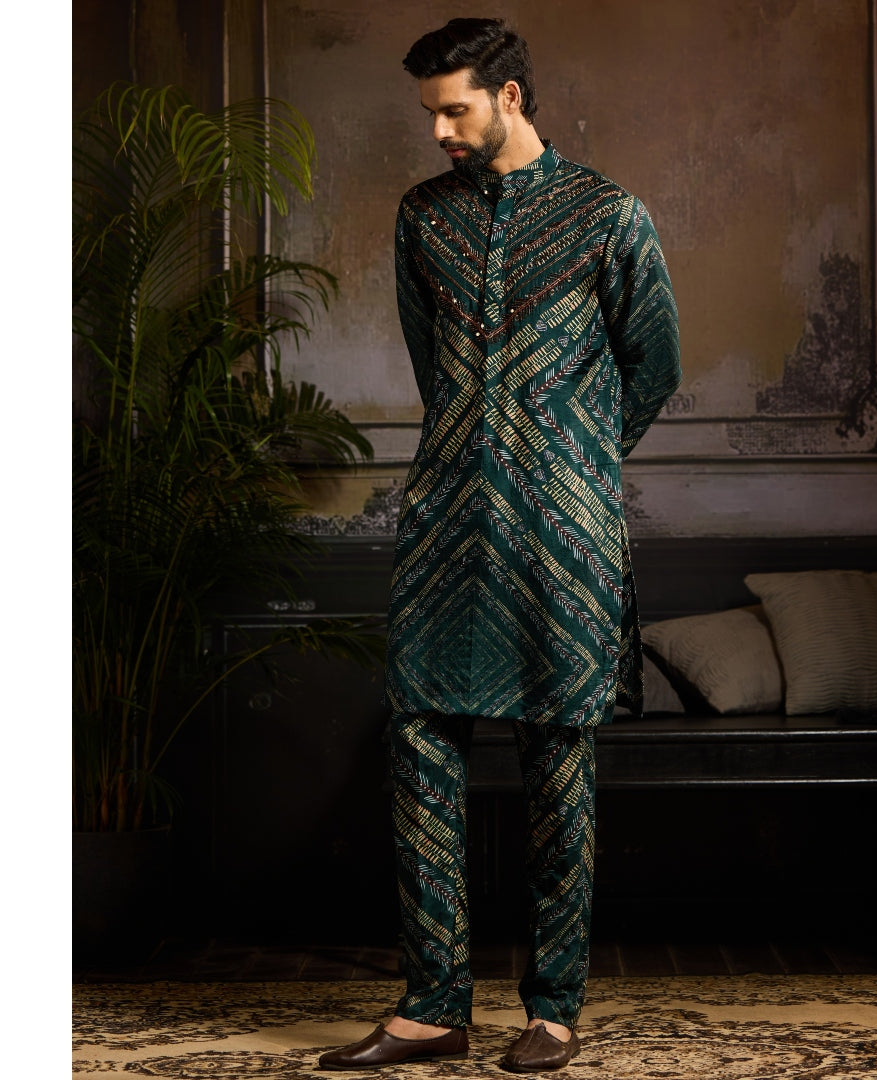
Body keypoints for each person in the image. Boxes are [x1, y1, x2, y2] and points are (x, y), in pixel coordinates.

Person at [318, 17, 680, 1073]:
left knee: (557, 762)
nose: (438, 131)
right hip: (446, 524)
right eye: (429, 114)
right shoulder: (422, 219)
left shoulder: (609, 216)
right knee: (419, 749)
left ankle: (553, 1009)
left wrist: (567, 461)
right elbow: (434, 369)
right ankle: (434, 1005)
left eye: (454, 110)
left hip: (562, 536)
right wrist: (476, 456)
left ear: (509, 97)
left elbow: (652, 366)